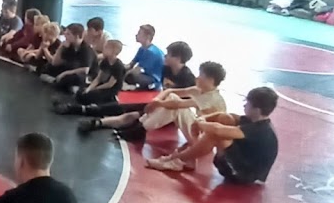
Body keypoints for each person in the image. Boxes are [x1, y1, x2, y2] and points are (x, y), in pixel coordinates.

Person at [146, 86, 279, 182]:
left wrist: (200, 123)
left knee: (216, 135)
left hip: (243, 174)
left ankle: (177, 160)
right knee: (226, 119)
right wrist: (203, 119)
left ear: (257, 110)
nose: (244, 106)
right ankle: (185, 159)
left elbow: (217, 130)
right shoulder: (254, 120)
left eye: (247, 103)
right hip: (242, 161)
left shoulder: (260, 130)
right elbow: (224, 116)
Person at [79, 60, 225, 139]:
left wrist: (157, 102)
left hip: (204, 136)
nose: (198, 78)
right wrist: (155, 102)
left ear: (211, 80)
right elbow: (170, 91)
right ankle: (135, 127)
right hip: (192, 125)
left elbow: (179, 103)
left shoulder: (211, 97)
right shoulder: (199, 90)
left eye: (201, 76)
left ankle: (140, 129)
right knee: (138, 111)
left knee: (175, 106)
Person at [40, 22, 94, 90]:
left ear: (76, 36)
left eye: (68, 34)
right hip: (72, 68)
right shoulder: (68, 45)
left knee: (70, 78)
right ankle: (61, 83)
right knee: (48, 67)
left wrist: (65, 73)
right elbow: (54, 63)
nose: (65, 36)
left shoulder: (86, 49)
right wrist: (61, 47)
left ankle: (61, 83)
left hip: (84, 74)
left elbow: (85, 70)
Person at [124, 24, 164, 89]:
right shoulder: (142, 49)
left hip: (154, 79)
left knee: (130, 76)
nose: (136, 35)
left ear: (147, 37)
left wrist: (122, 76)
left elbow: (138, 70)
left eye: (139, 33)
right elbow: (131, 64)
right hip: (145, 74)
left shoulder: (151, 52)